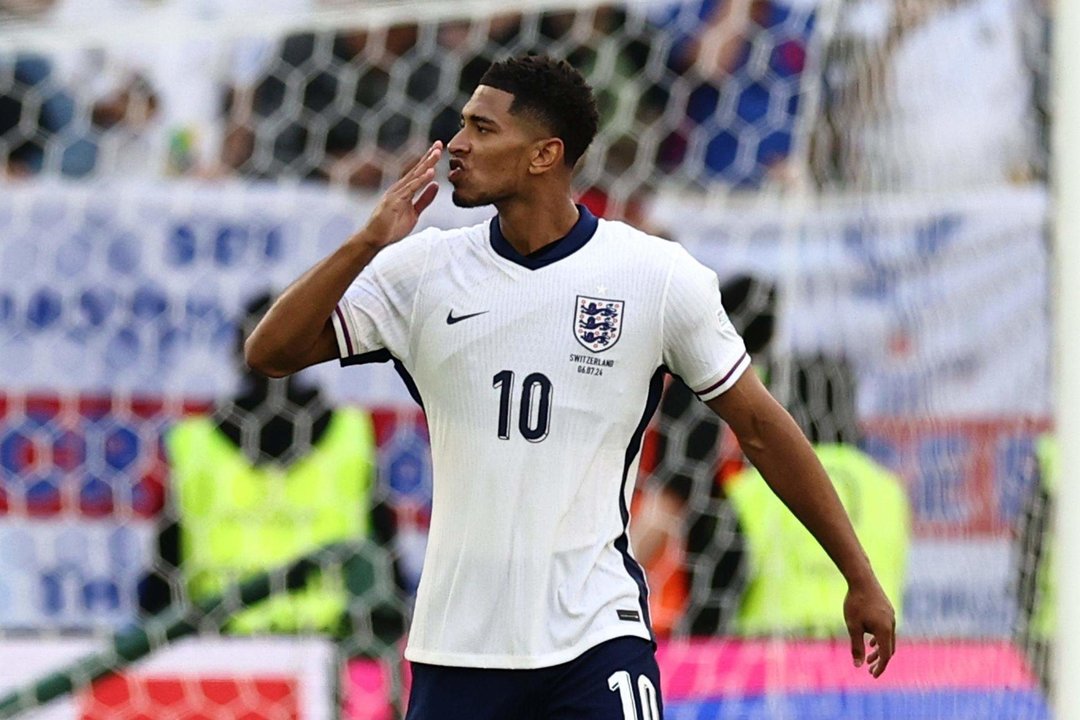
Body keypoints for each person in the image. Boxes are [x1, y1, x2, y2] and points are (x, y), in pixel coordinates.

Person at [244, 55, 895, 720]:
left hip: (595, 637)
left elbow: (758, 424)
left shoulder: (654, 276)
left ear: (544, 155)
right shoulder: (422, 271)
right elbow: (270, 352)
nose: (456, 145)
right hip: (459, 646)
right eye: (461, 124)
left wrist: (859, 574)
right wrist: (368, 242)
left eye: (481, 128)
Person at [141, 293, 404, 649]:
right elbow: (389, 568)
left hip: (265, 652)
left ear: (235, 353)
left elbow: (158, 588)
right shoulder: (193, 445)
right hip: (244, 653)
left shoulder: (352, 437)